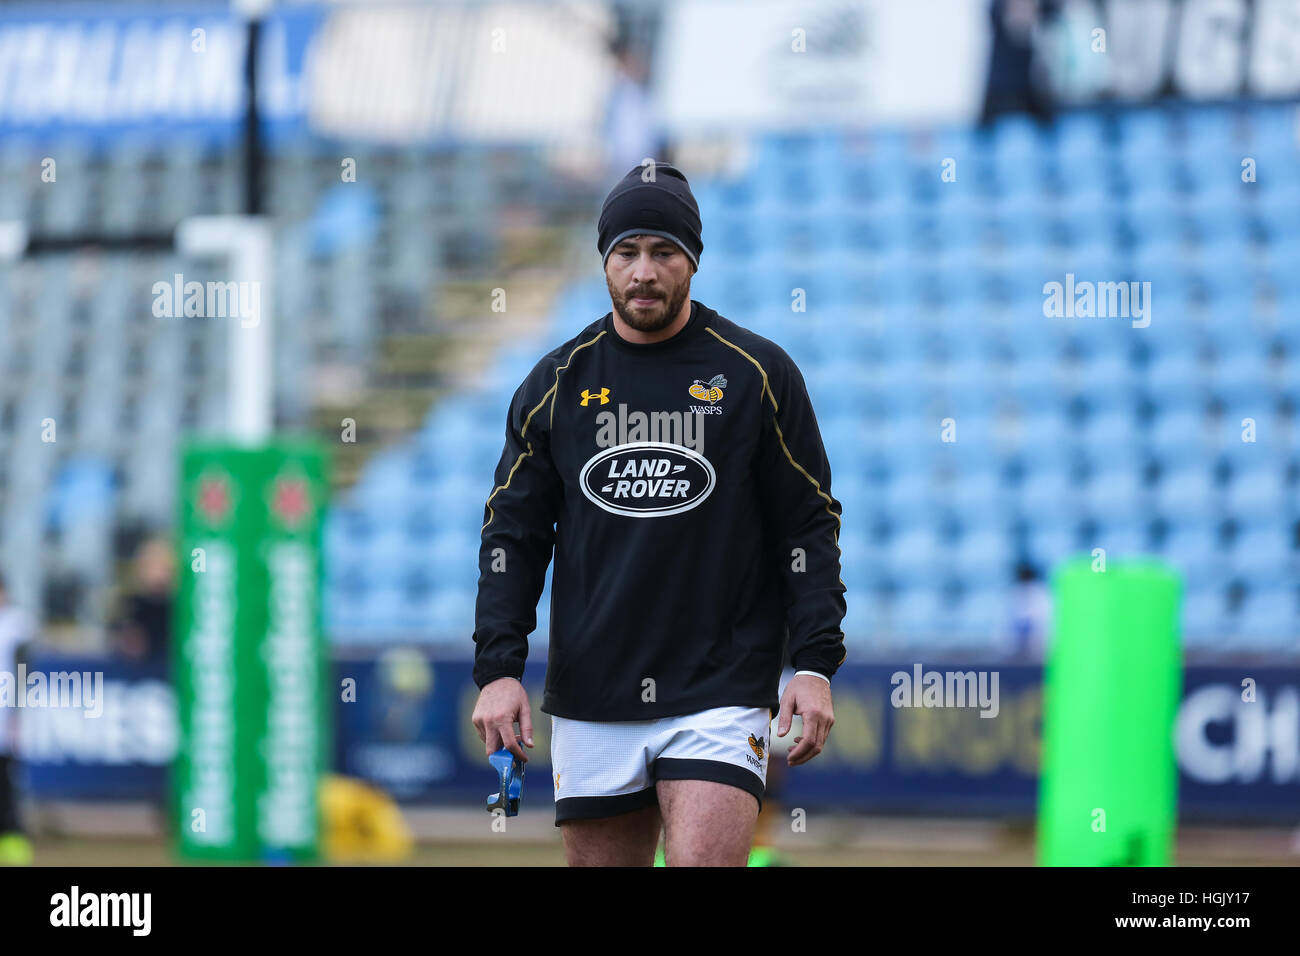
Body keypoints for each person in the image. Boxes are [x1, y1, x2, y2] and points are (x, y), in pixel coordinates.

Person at [470, 162, 847, 866]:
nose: (644, 271)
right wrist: (498, 668)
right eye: (627, 252)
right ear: (605, 261)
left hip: (720, 688)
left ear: (693, 260)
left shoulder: (756, 375)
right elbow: (512, 536)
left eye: (664, 251)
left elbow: (809, 525)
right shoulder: (556, 383)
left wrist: (814, 662)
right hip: (593, 692)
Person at [0, 573, 35, 865]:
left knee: (5, 786)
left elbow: (24, 669)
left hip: (4, 717)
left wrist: (17, 712)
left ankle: (13, 845)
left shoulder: (15, 624)